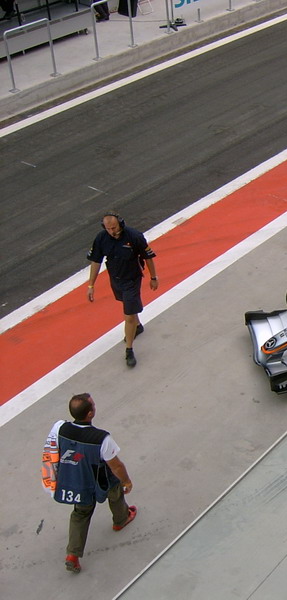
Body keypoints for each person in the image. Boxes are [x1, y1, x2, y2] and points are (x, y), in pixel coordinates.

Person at [42, 393, 136, 574]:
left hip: (78, 481)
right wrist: (126, 481)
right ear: (90, 414)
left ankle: (72, 555)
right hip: (100, 478)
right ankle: (121, 519)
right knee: (115, 492)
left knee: (80, 513)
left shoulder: (60, 428)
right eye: (93, 405)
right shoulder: (102, 438)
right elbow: (116, 466)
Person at [87, 212, 158, 368]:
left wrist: (153, 277)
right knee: (127, 307)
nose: (112, 231)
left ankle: (129, 350)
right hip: (116, 280)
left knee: (128, 316)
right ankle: (137, 327)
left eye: (114, 228)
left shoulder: (134, 236)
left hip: (132, 280)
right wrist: (91, 285)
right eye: (108, 229)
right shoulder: (101, 238)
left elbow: (148, 257)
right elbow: (96, 261)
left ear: (120, 223)